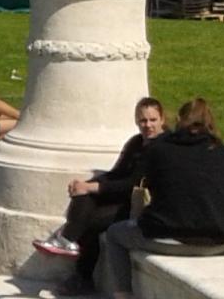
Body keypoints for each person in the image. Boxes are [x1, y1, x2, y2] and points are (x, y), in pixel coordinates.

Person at [98, 98, 224, 299]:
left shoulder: (160, 150)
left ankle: (123, 294)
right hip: (218, 240)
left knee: (114, 234)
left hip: (168, 235)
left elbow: (147, 183)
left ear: (178, 120)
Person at [36, 98, 164, 296]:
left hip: (139, 204)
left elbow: (132, 184)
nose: (148, 125)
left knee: (92, 222)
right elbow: (116, 173)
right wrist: (86, 185)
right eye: (142, 121)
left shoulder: (162, 147)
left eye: (152, 120)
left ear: (162, 119)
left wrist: (94, 186)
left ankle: (76, 262)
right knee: (83, 197)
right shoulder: (136, 142)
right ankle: (68, 240)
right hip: (119, 197)